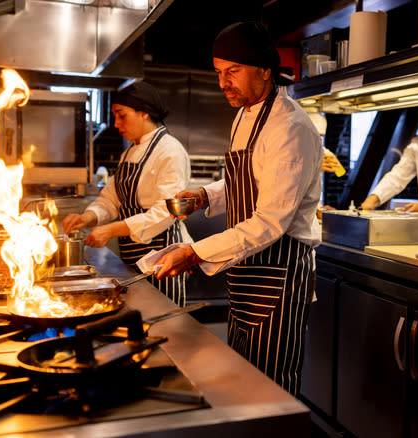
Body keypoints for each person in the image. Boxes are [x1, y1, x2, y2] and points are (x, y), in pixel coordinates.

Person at [153, 21, 323, 395]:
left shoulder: (290, 129)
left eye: (233, 72)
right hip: (247, 272)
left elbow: (269, 221)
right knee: (245, 380)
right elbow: (246, 182)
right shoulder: (245, 114)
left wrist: (195, 253)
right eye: (218, 73)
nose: (222, 83)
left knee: (271, 390)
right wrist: (205, 195)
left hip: (279, 272)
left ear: (264, 69)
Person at [62, 81, 191, 306]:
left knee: (163, 320)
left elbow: (165, 213)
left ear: (143, 113)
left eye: (121, 115)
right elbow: (111, 199)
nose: (116, 123)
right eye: (114, 116)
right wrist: (86, 219)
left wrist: (111, 229)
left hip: (162, 256)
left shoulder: (170, 151)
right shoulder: (129, 152)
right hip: (132, 255)